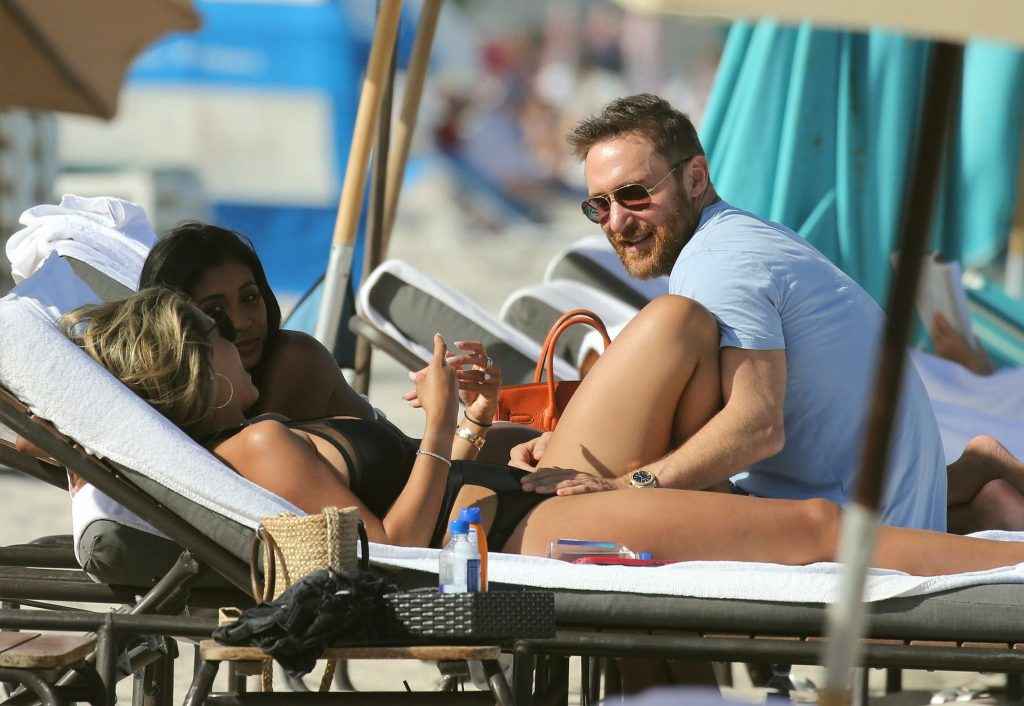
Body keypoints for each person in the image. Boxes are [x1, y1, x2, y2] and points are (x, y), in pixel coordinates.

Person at [55, 287, 1024, 574]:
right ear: (188, 370)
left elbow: (400, 507)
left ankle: (975, 507)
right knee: (811, 529)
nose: (233, 340)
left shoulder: (267, 429)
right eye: (211, 335)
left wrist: (478, 432)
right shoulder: (257, 447)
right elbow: (388, 552)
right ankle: (1003, 565)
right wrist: (441, 430)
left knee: (791, 510)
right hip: (522, 537)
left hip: (519, 500)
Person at [511, 93, 1021, 535]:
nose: (617, 222)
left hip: (868, 523)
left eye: (634, 195)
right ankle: (969, 485)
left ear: (695, 177)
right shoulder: (738, 236)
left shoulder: (719, 263)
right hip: (884, 492)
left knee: (610, 522)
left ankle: (968, 485)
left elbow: (757, 428)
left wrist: (629, 485)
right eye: (599, 206)